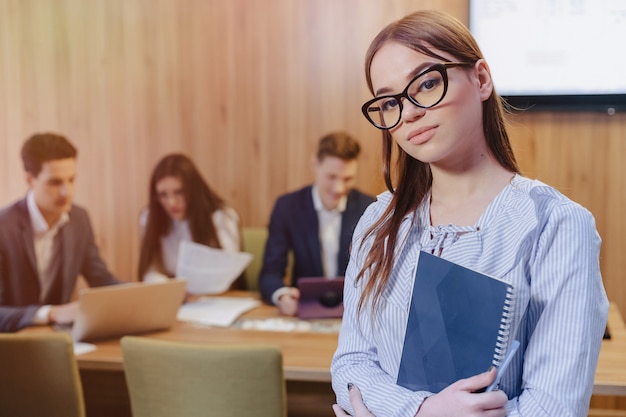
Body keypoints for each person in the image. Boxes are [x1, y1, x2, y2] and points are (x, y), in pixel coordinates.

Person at [331, 10, 608, 417]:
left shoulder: (556, 225)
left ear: (480, 79)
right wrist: (423, 412)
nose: (408, 113)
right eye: (389, 102)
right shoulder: (377, 223)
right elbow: (351, 365)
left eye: (426, 83)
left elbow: (555, 405)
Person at [0, 133, 120, 332]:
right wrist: (52, 313)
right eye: (55, 183)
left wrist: (153, 295)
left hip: (60, 343)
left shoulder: (79, 219)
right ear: (30, 180)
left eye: (72, 180)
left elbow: (103, 280)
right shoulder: (3, 227)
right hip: (12, 346)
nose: (67, 192)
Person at [259, 132, 375, 316]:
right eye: (331, 177)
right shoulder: (288, 207)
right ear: (315, 164)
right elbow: (270, 272)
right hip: (303, 310)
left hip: (355, 312)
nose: (339, 189)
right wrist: (282, 296)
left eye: (347, 179)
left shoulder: (370, 208)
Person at [138, 153, 245, 289]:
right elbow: (150, 270)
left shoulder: (221, 216)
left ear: (193, 190)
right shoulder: (149, 218)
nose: (172, 203)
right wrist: (169, 288)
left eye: (179, 192)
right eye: (163, 195)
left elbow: (228, 271)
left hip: (214, 298)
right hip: (172, 297)